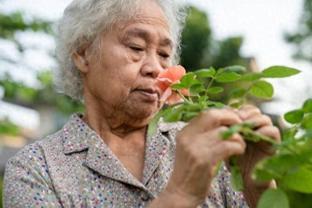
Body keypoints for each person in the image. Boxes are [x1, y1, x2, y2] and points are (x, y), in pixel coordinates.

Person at [3, 0, 280, 207]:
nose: (155, 68)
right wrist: (179, 195)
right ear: (83, 53)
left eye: (164, 54)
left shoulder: (207, 143)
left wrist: (257, 184)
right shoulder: (37, 169)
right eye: (136, 47)